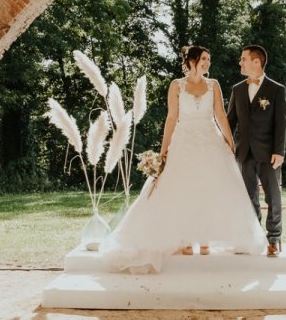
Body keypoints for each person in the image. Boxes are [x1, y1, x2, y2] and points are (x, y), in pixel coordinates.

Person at [100, 46, 267, 274]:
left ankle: (205, 238)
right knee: (184, 189)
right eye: (204, 59)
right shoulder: (176, 85)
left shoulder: (213, 85)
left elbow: (219, 114)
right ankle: (187, 240)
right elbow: (171, 117)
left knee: (209, 188)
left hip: (210, 141)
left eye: (209, 59)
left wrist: (230, 141)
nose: (208, 63)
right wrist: (164, 149)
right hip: (184, 141)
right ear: (192, 61)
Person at [226, 45, 286, 257]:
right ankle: (253, 237)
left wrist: (279, 151)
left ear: (256, 61)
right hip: (244, 152)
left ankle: (274, 238)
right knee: (248, 197)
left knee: (273, 196)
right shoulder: (238, 89)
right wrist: (224, 145)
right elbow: (230, 121)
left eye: (243, 59)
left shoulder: (276, 89)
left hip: (269, 153)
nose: (240, 62)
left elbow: (281, 123)